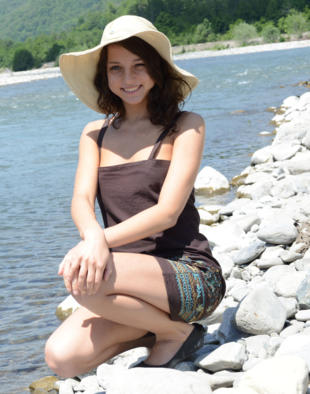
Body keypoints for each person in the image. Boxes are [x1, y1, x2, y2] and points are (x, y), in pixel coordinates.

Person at [44, 15, 226, 377]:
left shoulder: (186, 125)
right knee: (60, 358)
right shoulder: (93, 134)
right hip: (125, 282)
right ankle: (161, 330)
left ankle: (177, 331)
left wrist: (97, 245)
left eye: (138, 66)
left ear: (157, 70)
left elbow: (167, 213)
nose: (128, 79)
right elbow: (81, 200)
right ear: (104, 76)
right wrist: (93, 239)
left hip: (187, 274)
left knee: (83, 279)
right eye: (116, 68)